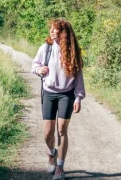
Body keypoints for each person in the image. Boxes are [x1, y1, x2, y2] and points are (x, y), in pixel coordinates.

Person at [31, 18, 85, 180]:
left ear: (64, 33)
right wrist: (39, 69)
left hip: (66, 94)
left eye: (56, 30)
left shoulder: (73, 51)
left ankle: (60, 168)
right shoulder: (45, 48)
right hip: (48, 93)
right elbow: (34, 65)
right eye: (51, 30)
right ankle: (51, 154)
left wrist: (78, 98)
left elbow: (78, 76)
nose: (52, 32)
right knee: (48, 133)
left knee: (61, 130)